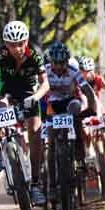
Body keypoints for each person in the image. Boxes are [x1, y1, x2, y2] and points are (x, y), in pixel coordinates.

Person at [0, 20, 50, 206]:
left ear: (27, 40)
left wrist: (36, 97)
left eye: (21, 43)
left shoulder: (35, 56)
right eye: (12, 44)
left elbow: (45, 83)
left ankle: (36, 183)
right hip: (5, 90)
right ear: (6, 44)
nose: (17, 48)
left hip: (28, 93)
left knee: (35, 130)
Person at [43, 42, 96, 201]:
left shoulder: (74, 72)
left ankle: (80, 159)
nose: (59, 67)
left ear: (67, 61)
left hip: (69, 103)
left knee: (77, 113)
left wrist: (91, 108)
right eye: (55, 63)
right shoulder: (44, 72)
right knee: (51, 144)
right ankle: (52, 185)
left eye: (62, 63)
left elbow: (88, 91)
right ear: (50, 61)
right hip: (52, 105)